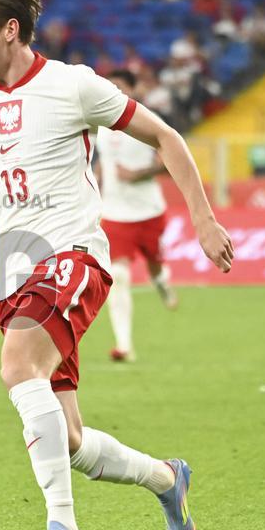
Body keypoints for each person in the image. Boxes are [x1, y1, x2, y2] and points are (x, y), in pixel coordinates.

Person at [0, 0, 234, 530]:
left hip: (74, 258)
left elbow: (167, 137)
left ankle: (63, 526)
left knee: (16, 365)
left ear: (11, 30)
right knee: (69, 439)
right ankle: (166, 479)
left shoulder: (74, 85)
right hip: (14, 278)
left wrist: (204, 220)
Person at [95, 70, 178, 363]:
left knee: (155, 268)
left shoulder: (147, 121)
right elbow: (103, 163)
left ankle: (163, 285)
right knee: (117, 275)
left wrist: (138, 174)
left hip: (149, 211)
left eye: (120, 87)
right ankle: (124, 345)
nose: (114, 91)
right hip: (115, 213)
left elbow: (170, 162)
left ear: (133, 89)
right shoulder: (101, 125)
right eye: (110, 86)